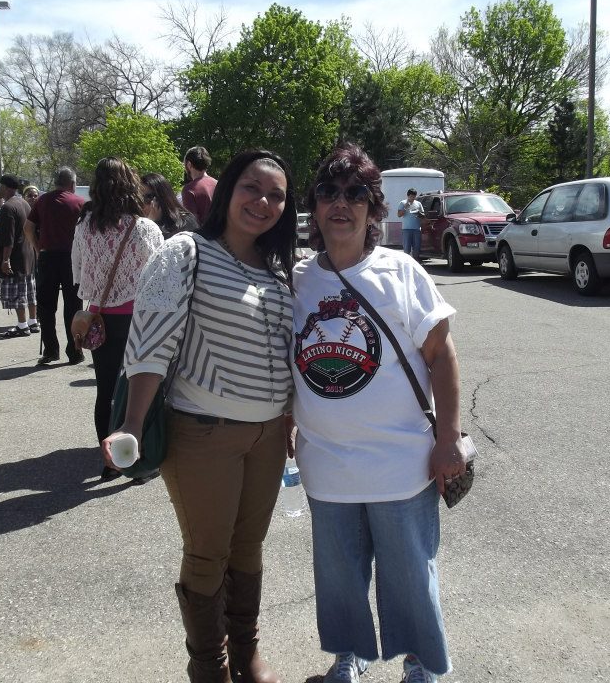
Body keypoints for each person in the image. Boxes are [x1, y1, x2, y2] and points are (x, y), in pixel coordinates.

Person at [103, 149, 297, 683]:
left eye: (277, 194)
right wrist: (131, 424)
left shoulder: (279, 269)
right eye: (252, 188)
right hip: (203, 433)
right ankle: (208, 667)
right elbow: (150, 344)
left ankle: (246, 654)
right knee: (208, 553)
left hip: (267, 436)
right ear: (228, 189)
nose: (263, 202)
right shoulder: (185, 251)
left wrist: (290, 421)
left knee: (248, 549)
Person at [290, 143, 465, 683]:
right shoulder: (297, 281)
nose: (340, 204)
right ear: (315, 207)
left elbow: (441, 355)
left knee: (411, 575)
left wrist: (448, 439)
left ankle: (423, 666)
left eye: (355, 194)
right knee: (338, 577)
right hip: (327, 468)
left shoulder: (401, 272)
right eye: (328, 192)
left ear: (373, 208)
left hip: (401, 465)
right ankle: (349, 656)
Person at [70, 158, 164, 475]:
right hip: (141, 320)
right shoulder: (144, 228)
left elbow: (79, 273)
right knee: (142, 388)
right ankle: (142, 460)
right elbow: (161, 277)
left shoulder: (85, 228)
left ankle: (110, 461)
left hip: (101, 319)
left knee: (106, 390)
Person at [26, 168, 85, 366]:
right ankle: (75, 351)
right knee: (73, 306)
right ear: (73, 183)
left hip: (48, 256)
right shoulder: (79, 202)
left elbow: (28, 227)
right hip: (71, 259)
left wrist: (37, 247)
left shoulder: (42, 201)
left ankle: (51, 350)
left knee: (45, 306)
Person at [0, 174, 38, 337]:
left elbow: (8, 237)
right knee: (30, 291)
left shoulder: (8, 207)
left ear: (5, 187)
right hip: (28, 253)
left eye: (0, 186)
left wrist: (5, 259)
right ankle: (33, 321)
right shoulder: (24, 203)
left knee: (18, 292)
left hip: (15, 256)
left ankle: (22, 325)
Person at [141, 171, 199, 239]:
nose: (141, 203)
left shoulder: (186, 221)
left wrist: (151, 224)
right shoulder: (138, 222)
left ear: (161, 198)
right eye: (138, 197)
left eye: (147, 197)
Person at [181, 146, 217, 225]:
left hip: (204, 235)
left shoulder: (189, 189)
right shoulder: (219, 184)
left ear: (189, 164)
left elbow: (192, 224)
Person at [398, 188, 425, 258]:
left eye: (414, 196)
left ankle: (415, 262)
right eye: (411, 196)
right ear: (408, 196)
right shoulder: (403, 203)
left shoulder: (418, 203)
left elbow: (423, 215)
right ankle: (406, 264)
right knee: (407, 249)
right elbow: (399, 215)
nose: (413, 198)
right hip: (406, 229)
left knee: (416, 248)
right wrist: (405, 208)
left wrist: (419, 214)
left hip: (416, 229)